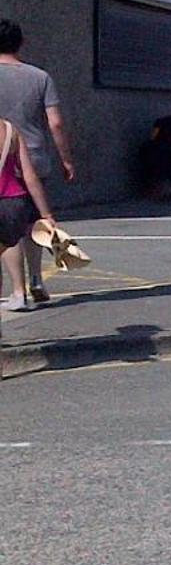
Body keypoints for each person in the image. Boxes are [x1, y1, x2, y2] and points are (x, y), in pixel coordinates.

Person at [0, 20, 75, 311]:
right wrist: (66, 158)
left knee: (7, 229)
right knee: (32, 222)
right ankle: (36, 279)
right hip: (33, 156)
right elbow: (55, 122)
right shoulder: (39, 77)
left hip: (2, 157)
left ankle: (17, 291)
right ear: (21, 43)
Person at [0, 115, 58, 333]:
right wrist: (45, 213)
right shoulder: (10, 130)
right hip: (15, 203)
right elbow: (29, 175)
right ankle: (19, 291)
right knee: (9, 242)